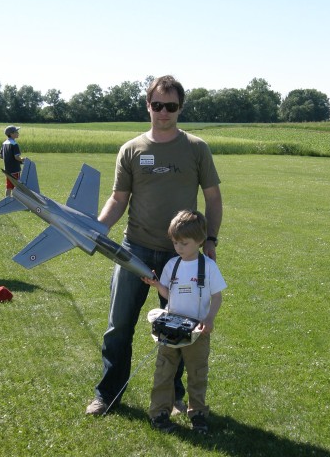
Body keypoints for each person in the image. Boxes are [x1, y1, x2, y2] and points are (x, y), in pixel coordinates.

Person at [85, 75, 223, 416]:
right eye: (158, 105)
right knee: (119, 326)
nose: (164, 112)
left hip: (183, 256)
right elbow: (118, 199)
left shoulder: (195, 148)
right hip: (135, 249)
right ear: (148, 106)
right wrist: (98, 228)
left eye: (171, 106)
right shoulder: (132, 149)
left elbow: (213, 197)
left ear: (180, 109)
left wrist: (210, 242)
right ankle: (108, 395)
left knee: (180, 327)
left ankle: (174, 397)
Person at [142, 210, 226, 433]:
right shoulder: (172, 265)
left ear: (199, 241)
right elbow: (170, 295)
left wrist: (209, 319)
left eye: (184, 243)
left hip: (198, 331)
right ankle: (159, 412)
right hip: (170, 329)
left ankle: (197, 413)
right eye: (176, 243)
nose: (179, 248)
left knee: (197, 373)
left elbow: (217, 296)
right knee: (163, 372)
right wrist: (157, 284)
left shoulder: (208, 267)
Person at [0, 125, 23, 197]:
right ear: (11, 134)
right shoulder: (14, 144)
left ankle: (7, 199)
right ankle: (16, 200)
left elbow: (1, 156)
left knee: (9, 186)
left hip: (7, 169)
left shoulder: (4, 143)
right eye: (16, 132)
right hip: (15, 169)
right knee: (17, 186)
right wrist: (22, 159)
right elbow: (16, 157)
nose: (18, 133)